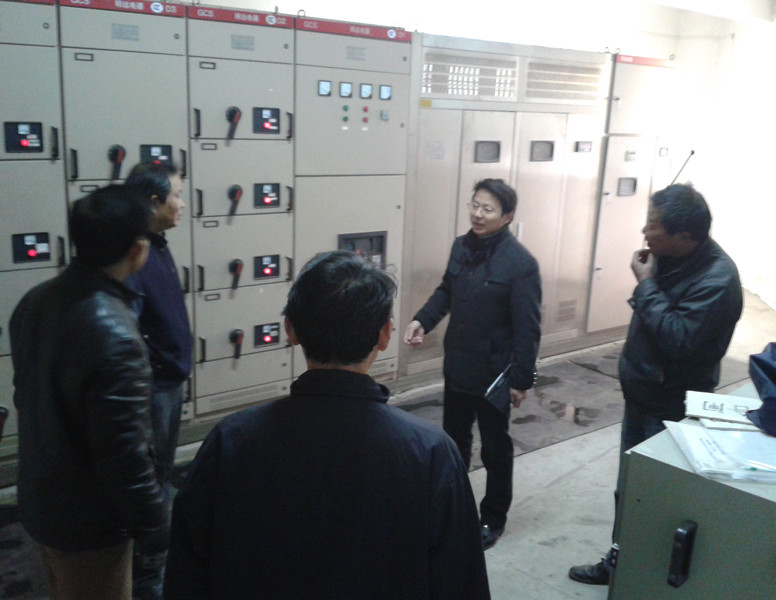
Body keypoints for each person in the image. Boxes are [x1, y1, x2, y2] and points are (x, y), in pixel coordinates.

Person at [164, 251, 491, 600]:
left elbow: (186, 575)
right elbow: (462, 583)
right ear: (385, 335)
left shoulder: (230, 440)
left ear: (290, 329)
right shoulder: (431, 453)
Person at [568, 183, 743, 585]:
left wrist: (646, 284)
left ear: (684, 235)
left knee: (659, 497)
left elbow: (679, 338)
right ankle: (620, 563)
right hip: (642, 394)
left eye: (653, 225)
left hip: (671, 406)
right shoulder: (671, 256)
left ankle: (646, 579)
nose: (644, 232)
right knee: (630, 487)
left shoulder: (717, 279)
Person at [10, 185, 168, 600]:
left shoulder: (34, 301)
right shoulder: (115, 334)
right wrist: (155, 528)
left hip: (43, 500)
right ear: (137, 251)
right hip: (90, 524)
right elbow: (124, 454)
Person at [404, 178, 542, 550]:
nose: (478, 215)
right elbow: (446, 291)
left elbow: (528, 328)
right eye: (475, 206)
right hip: (459, 365)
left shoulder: (521, 264)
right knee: (453, 442)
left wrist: (522, 380)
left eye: (488, 209)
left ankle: (492, 518)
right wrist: (422, 320)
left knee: (495, 449)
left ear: (507, 216)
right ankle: (450, 506)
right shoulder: (461, 246)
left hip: (495, 374)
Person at [124, 163, 192, 600]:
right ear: (153, 202)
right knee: (150, 481)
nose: (182, 204)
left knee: (162, 475)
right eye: (176, 196)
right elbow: (129, 334)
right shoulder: (135, 255)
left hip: (169, 384)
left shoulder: (158, 247)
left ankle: (154, 562)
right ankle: (147, 575)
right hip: (154, 392)